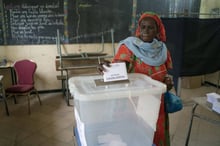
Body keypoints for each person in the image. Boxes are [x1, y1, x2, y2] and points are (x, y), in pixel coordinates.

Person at [97, 12, 173, 146]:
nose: (145, 31)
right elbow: (117, 72)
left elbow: (165, 78)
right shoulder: (128, 47)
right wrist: (106, 68)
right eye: (142, 27)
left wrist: (168, 84)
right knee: (135, 139)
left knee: (155, 136)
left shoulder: (162, 50)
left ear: (158, 30)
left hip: (156, 105)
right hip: (132, 107)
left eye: (150, 28)